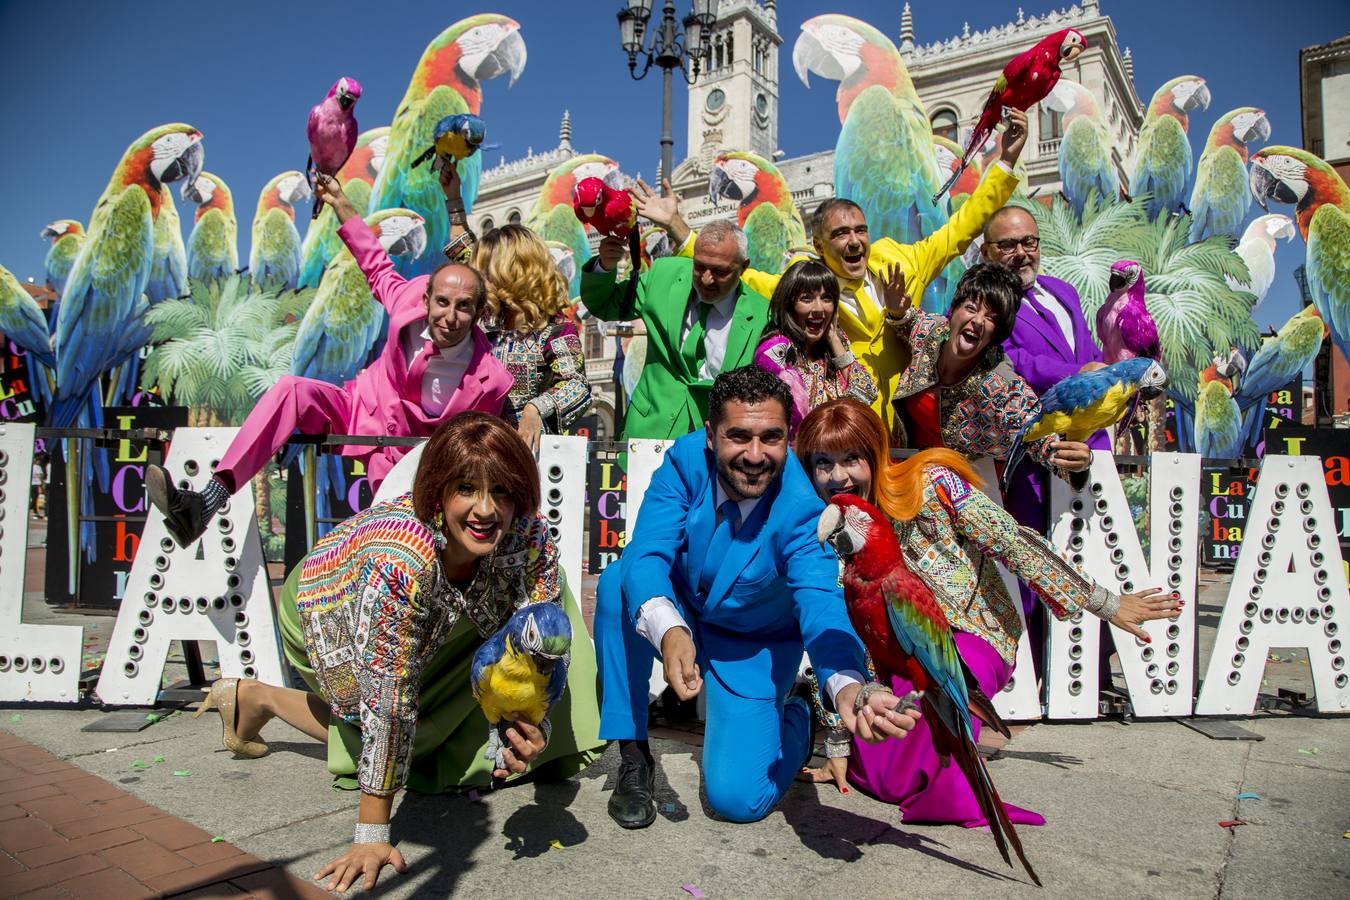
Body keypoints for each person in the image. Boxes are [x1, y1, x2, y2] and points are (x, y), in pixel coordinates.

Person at [191, 412, 604, 893]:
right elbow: (389, 702)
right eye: (466, 488)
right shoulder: (399, 562)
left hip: (442, 612)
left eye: (504, 492)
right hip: (328, 606)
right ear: (436, 492)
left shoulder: (529, 536)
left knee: (549, 621)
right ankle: (258, 698)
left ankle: (254, 699)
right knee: (402, 736)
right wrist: (372, 834)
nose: (487, 510)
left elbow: (538, 653)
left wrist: (531, 723)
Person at [794, 397, 1181, 822]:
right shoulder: (823, 538)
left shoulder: (932, 483)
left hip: (973, 638)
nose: (838, 475)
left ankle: (965, 793)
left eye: (852, 458)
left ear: (875, 454)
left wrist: (1106, 603)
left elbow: (1013, 541)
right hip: (894, 663)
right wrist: (837, 743)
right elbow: (833, 642)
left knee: (947, 702)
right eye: (823, 463)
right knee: (884, 778)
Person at [594, 366, 921, 829]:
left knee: (737, 801)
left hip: (754, 647)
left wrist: (848, 684)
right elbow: (648, 555)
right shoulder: (685, 462)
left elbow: (821, 604)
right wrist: (669, 631)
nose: (754, 455)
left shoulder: (805, 511)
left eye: (771, 437)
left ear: (788, 438)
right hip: (684, 611)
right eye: (738, 436)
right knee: (618, 581)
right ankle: (633, 754)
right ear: (710, 435)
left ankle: (799, 714)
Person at [146, 166, 512, 548]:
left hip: (418, 458)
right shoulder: (407, 300)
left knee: (399, 539)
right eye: (442, 303)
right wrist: (339, 202)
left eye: (464, 307)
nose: (450, 317)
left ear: (479, 312)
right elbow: (374, 262)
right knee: (292, 390)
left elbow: (479, 446)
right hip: (364, 411)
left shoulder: (492, 379)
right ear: (426, 299)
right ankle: (205, 503)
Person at [630, 109, 1030, 431]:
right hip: (844, 430)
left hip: (907, 424)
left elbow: (964, 226)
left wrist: (1006, 161)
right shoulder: (809, 289)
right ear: (820, 245)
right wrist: (679, 229)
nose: (854, 241)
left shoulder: (902, 263)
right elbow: (737, 273)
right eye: (840, 234)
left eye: (860, 230)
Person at [982, 206, 1111, 669]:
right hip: (1036, 456)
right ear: (987, 251)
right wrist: (1081, 374)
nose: (1021, 253)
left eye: (1029, 242)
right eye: (1008, 245)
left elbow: (1091, 352)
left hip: (1092, 449)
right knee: (1036, 562)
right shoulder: (987, 303)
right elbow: (1012, 362)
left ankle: (1089, 671)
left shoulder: (1064, 291)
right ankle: (1033, 671)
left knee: (1093, 556)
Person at [881, 261, 1093, 481]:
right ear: (954, 311)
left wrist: (1078, 463)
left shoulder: (1002, 388)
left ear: (996, 334)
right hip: (906, 477)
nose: (978, 321)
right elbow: (909, 323)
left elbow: (1041, 438)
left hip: (966, 496)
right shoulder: (932, 332)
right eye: (971, 308)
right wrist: (897, 311)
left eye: (991, 318)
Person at [579, 220, 770, 440]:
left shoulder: (762, 316)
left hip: (718, 444)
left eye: (720, 272)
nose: (706, 279)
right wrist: (605, 266)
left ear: (743, 267)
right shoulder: (663, 276)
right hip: (649, 435)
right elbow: (605, 303)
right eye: (699, 267)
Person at [474, 224, 592, 452]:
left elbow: (577, 385)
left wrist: (535, 408)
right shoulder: (486, 330)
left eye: (486, 270)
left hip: (531, 457)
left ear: (513, 271)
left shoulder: (556, 330)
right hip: (481, 451)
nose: (480, 279)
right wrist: (453, 203)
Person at [753, 259, 877, 435]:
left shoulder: (833, 345)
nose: (819, 308)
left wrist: (834, 339)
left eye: (826, 298)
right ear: (789, 304)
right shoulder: (776, 350)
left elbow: (867, 393)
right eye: (807, 298)